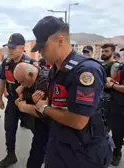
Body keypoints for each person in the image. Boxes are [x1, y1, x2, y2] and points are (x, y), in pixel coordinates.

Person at [32, 16, 112, 168]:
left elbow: (79, 121)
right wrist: (44, 101)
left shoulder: (86, 71)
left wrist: (44, 108)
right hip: (60, 141)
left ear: (60, 41)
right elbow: (57, 101)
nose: (41, 51)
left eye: (44, 46)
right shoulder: (55, 69)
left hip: (84, 151)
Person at [0, 33, 37, 168]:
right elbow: (2, 80)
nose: (10, 51)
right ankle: (11, 155)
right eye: (9, 48)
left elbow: (38, 82)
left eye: (13, 48)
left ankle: (42, 153)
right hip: (12, 102)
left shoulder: (31, 63)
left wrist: (24, 87)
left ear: (22, 47)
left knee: (37, 131)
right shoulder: (6, 62)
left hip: (28, 103)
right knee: (9, 128)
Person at [13, 62, 50, 168]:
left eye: (22, 82)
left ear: (31, 75)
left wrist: (23, 106)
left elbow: (42, 112)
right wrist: (23, 91)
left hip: (47, 124)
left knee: (37, 151)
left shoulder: (44, 82)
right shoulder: (36, 73)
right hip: (39, 124)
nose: (20, 85)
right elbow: (28, 95)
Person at [101, 43, 120, 131]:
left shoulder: (115, 65)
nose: (104, 53)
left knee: (104, 125)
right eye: (103, 51)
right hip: (101, 96)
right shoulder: (103, 64)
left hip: (107, 98)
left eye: (106, 51)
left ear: (112, 52)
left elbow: (111, 83)